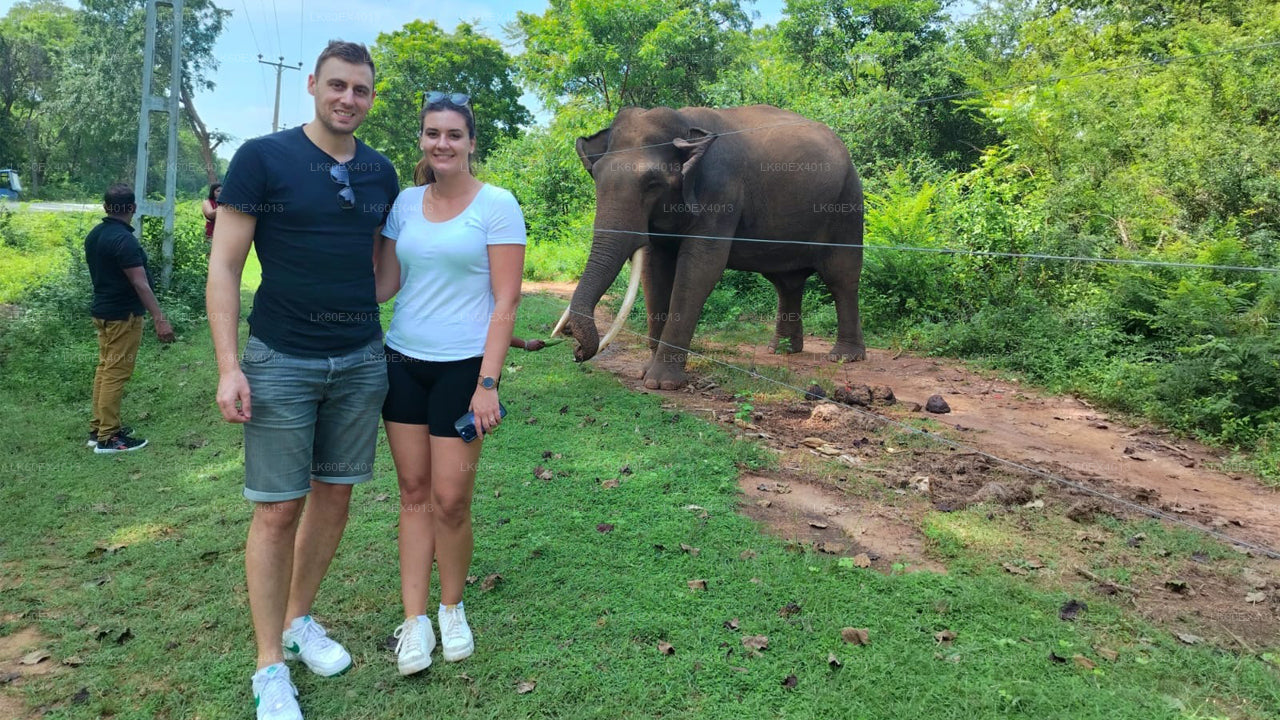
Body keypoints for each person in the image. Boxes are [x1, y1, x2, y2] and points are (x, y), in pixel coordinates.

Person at [206, 40, 399, 720]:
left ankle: (298, 619)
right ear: (314, 84)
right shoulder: (263, 159)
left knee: (335, 496)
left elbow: (382, 268)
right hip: (280, 359)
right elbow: (225, 266)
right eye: (338, 85)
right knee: (277, 509)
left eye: (361, 89)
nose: (349, 98)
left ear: (370, 98)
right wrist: (229, 366)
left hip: (359, 360)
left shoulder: (380, 172)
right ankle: (269, 666)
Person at [374, 91, 526, 676]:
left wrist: (488, 383)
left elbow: (506, 301)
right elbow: (384, 285)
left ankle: (451, 607)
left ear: (470, 142)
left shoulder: (497, 205)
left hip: (464, 371)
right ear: (422, 139)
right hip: (402, 364)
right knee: (414, 492)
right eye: (432, 133)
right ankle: (415, 620)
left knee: (452, 500)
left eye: (453, 134)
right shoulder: (404, 204)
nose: (442, 143)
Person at [84, 183, 175, 453]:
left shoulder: (95, 235)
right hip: (123, 316)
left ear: (106, 207)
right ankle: (109, 437)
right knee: (115, 373)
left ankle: (99, 428)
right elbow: (140, 283)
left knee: (105, 369)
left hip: (103, 312)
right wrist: (160, 318)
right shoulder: (124, 240)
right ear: (133, 208)